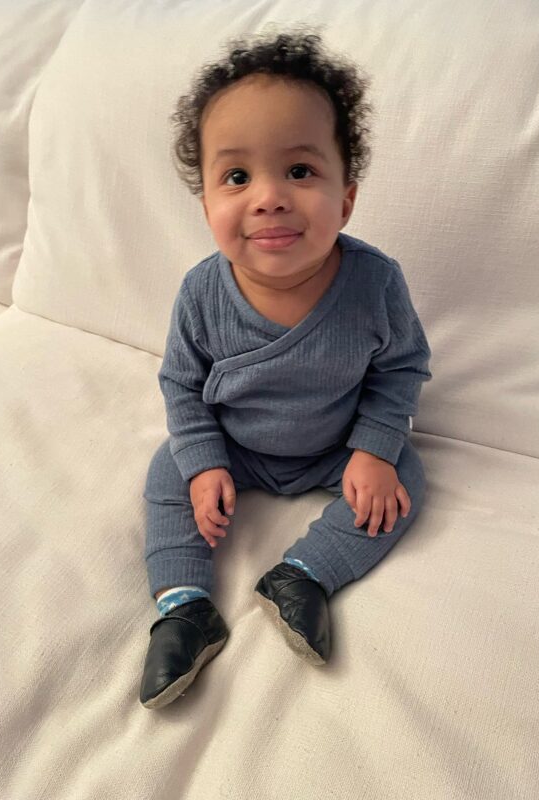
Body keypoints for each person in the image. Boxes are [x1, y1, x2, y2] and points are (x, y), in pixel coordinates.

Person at [139, 28, 432, 709]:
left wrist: (373, 451)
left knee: (407, 477)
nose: (268, 196)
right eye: (237, 177)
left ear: (346, 198)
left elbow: (401, 369)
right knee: (166, 471)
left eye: (299, 171)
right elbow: (182, 384)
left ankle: (304, 575)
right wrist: (205, 462)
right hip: (236, 445)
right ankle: (184, 606)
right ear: (208, 206)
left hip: (334, 444)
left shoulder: (375, 284)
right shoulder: (202, 292)